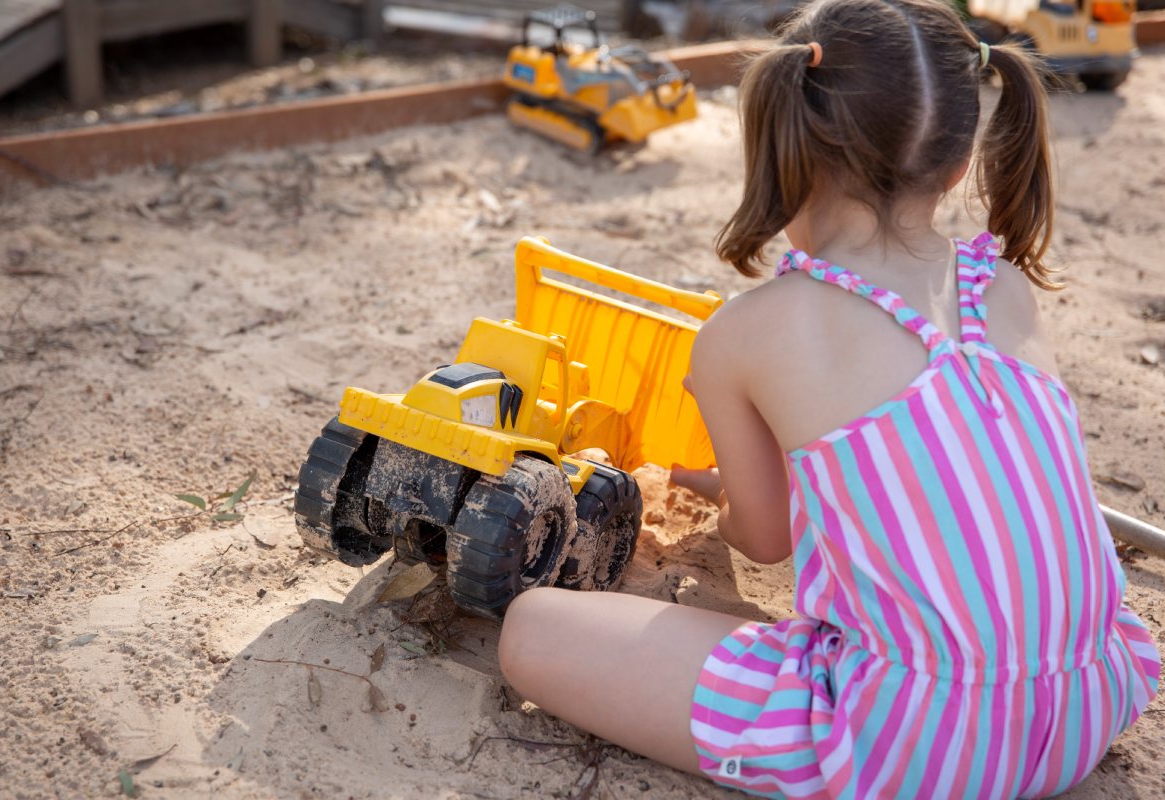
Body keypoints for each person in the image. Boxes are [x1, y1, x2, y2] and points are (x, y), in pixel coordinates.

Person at [496, 0, 1161, 796]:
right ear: (957, 164)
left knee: (532, 628)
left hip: (924, 745)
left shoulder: (749, 331)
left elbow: (765, 539)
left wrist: (730, 494)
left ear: (785, 147)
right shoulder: (1008, 288)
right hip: (1085, 701)